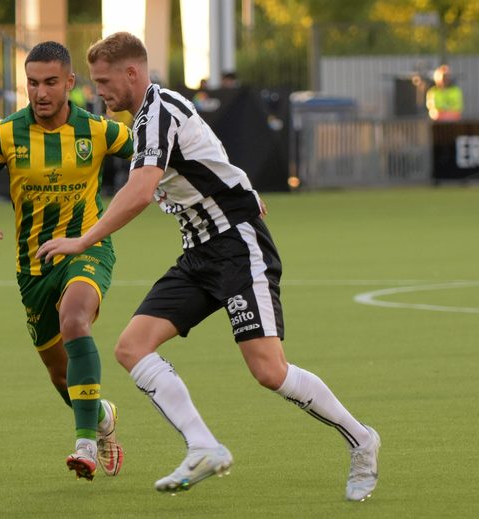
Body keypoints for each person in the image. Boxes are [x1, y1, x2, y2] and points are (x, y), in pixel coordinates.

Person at [36, 32, 380, 501]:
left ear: (132, 73)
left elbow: (139, 191)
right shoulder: (144, 118)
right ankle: (203, 446)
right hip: (199, 253)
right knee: (132, 347)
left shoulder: (159, 111)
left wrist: (83, 240)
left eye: (103, 81)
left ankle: (362, 440)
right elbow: (211, 165)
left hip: (237, 247)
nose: (99, 90)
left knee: (269, 371)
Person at [0, 41, 134, 481]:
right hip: (32, 267)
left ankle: (84, 445)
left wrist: (228, 188)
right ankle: (101, 418)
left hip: (87, 248)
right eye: (33, 83)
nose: (41, 93)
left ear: (70, 83)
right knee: (62, 377)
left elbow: (158, 156)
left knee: (75, 318)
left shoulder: (98, 131)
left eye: (51, 83)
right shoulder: (5, 134)